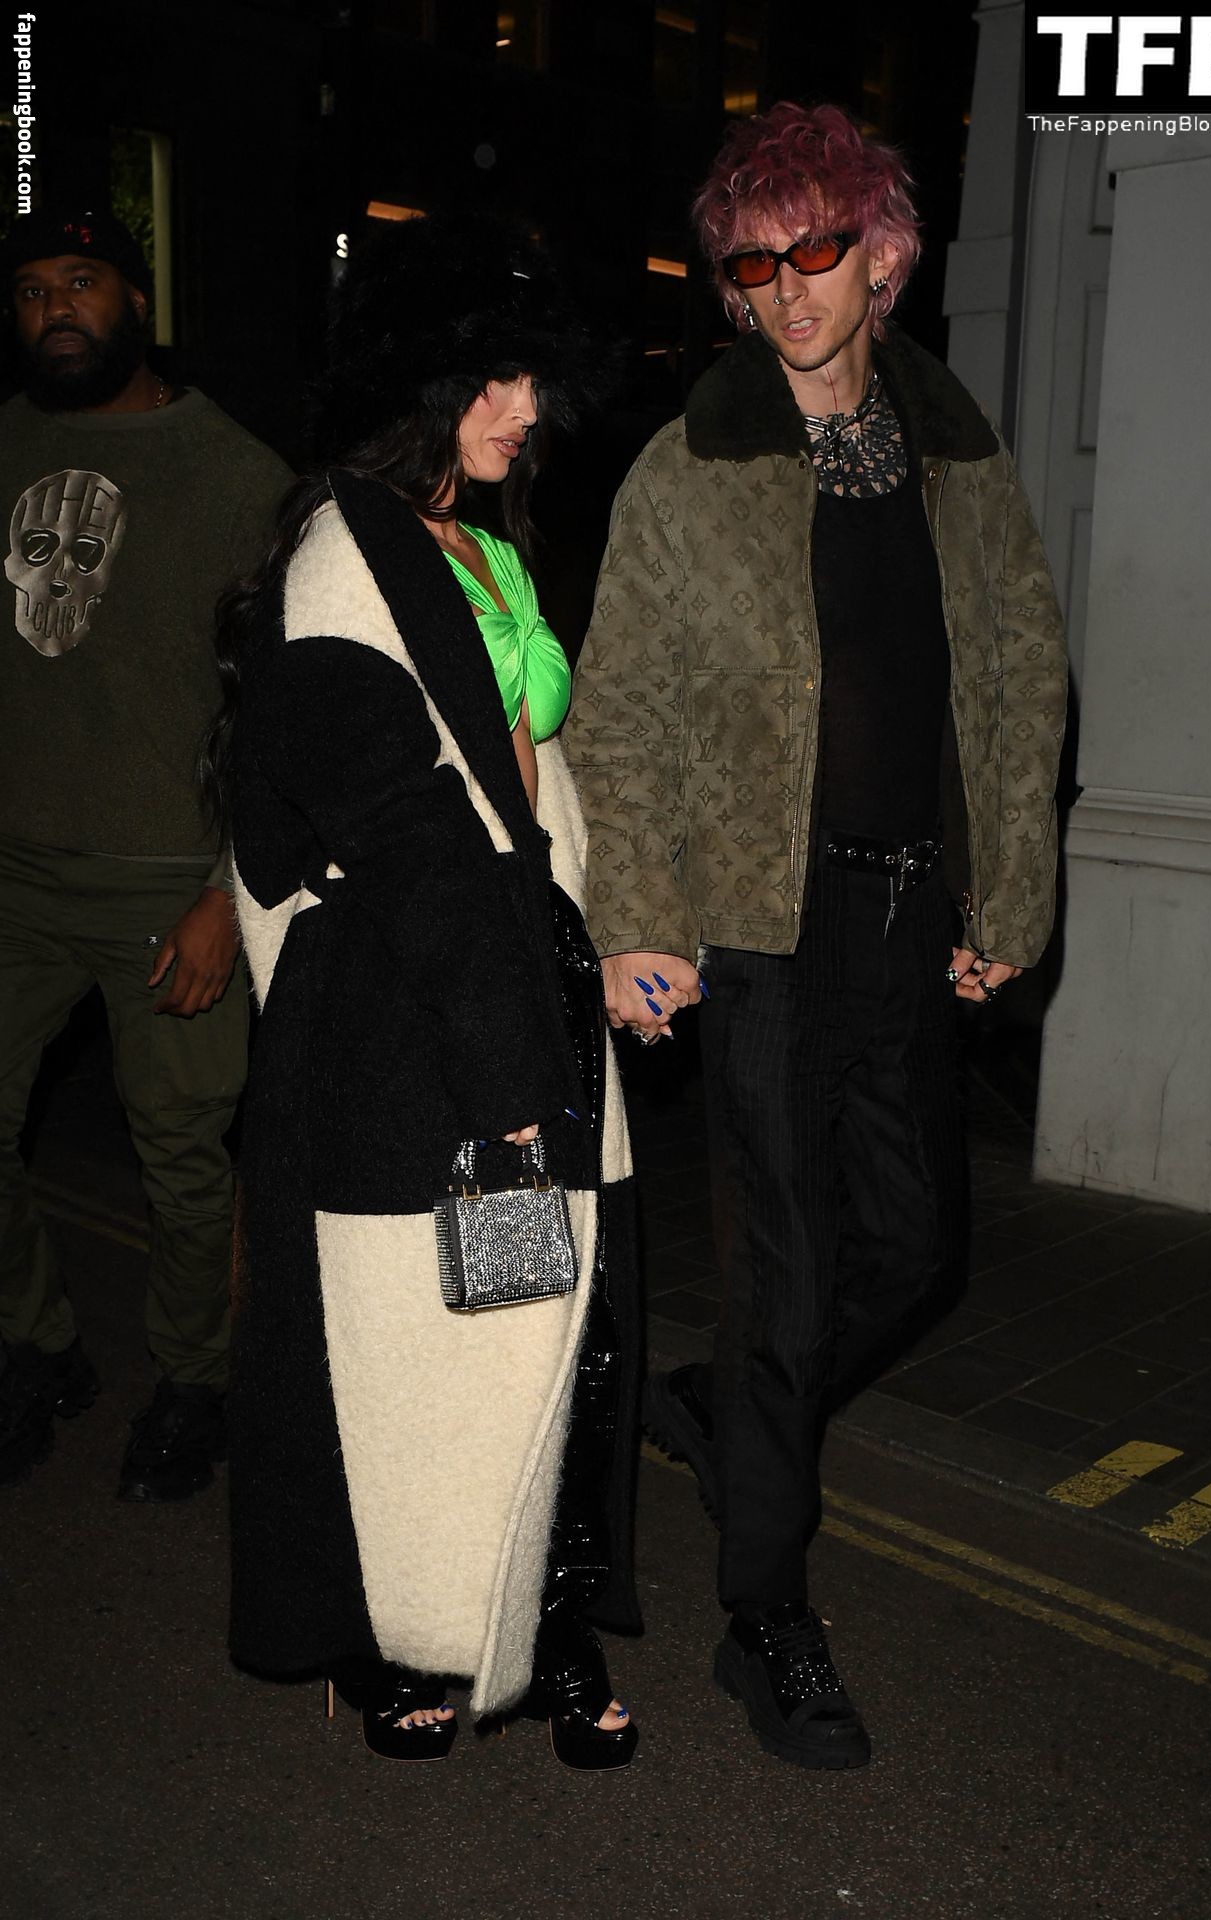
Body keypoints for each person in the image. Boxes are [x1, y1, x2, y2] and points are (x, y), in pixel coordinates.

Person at [563, 102, 1068, 1770]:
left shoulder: (959, 456)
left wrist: (1012, 890)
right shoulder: (688, 467)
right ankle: (763, 1612)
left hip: (910, 910)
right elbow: (619, 712)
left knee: (917, 1251)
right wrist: (639, 923)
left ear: (883, 256)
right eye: (755, 262)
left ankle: (729, 1411)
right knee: (783, 1277)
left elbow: (1022, 674)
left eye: (819, 250)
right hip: (757, 924)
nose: (788, 287)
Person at [218, 212, 641, 1768]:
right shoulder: (341, 554)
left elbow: (537, 784)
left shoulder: (488, 549)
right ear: (418, 380)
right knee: (423, 1341)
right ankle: (394, 1630)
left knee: (559, 1324)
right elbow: (402, 831)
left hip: (519, 969)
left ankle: (543, 1619)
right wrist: (507, 1057)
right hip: (414, 1010)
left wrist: (607, 946)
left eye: (539, 383)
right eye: (494, 377)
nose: (524, 410)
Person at [0, 207, 292, 1499]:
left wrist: (229, 891)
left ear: (136, 300)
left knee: (182, 1160)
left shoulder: (233, 473)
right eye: (31, 291)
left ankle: (194, 1381)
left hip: (168, 882)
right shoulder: (7, 441)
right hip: (13, 874)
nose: (55, 309)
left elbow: (282, 712)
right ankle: (35, 1345)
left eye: (82, 282)